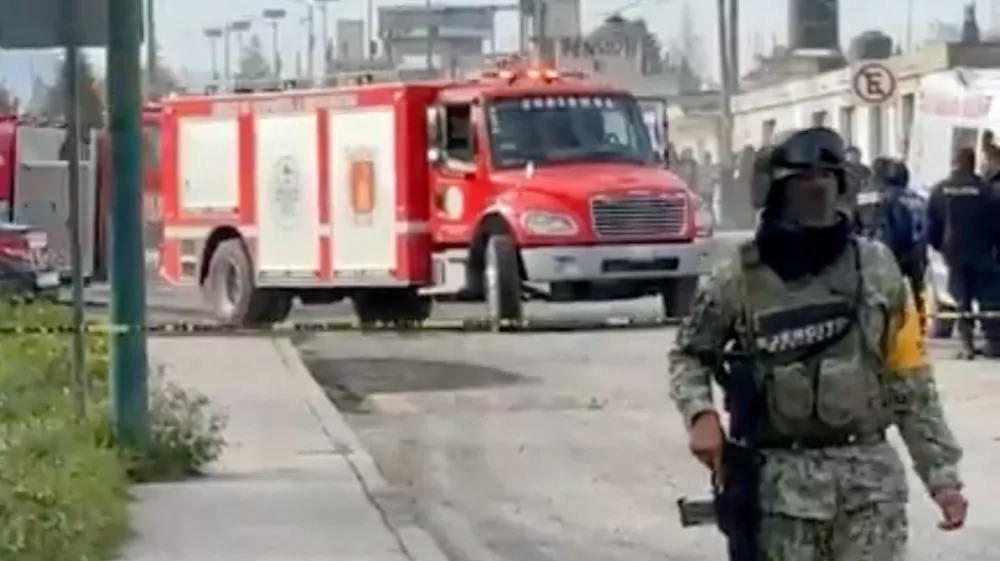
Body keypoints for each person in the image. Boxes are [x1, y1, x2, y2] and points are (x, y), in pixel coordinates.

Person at [669, 126, 966, 561]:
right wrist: (700, 413)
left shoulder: (877, 268)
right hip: (781, 494)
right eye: (803, 181)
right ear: (776, 192)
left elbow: (910, 381)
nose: (818, 191)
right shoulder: (740, 277)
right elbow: (690, 353)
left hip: (869, 488)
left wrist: (943, 479)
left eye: (827, 178)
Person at [927, 147, 1000, 358]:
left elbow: (932, 224)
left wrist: (938, 246)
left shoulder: (939, 190)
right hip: (982, 252)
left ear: (953, 162)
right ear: (973, 162)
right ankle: (993, 342)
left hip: (953, 254)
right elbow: (996, 223)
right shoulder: (986, 190)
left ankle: (967, 345)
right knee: (988, 299)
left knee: (961, 300)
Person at [877, 159, 929, 330]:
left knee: (892, 292)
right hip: (919, 251)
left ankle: (895, 327)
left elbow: (896, 229)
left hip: (899, 252)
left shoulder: (890, 198)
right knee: (918, 290)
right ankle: (921, 323)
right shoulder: (918, 198)